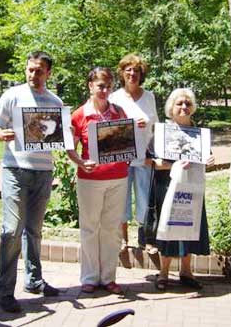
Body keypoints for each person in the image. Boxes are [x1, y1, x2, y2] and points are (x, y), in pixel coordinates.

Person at [0, 51, 62, 313]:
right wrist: (1, 135)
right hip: (15, 170)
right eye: (30, 69)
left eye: (39, 70)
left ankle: (34, 280)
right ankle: (4, 291)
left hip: (43, 172)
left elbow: (59, 135)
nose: (34, 74)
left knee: (34, 230)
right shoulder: (12, 95)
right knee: (11, 231)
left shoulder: (55, 101)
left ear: (48, 73)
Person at [68, 67, 138, 294]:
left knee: (111, 229)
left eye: (108, 86)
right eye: (100, 86)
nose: (105, 90)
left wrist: (127, 154)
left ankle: (108, 277)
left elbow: (128, 144)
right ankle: (89, 277)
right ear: (90, 86)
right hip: (90, 179)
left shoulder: (119, 112)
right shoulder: (80, 114)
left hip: (118, 178)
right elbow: (71, 147)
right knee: (90, 228)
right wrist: (80, 162)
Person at [145, 88, 214, 291]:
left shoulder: (199, 134)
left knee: (190, 225)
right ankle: (164, 273)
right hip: (166, 185)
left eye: (187, 103)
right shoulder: (161, 132)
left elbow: (204, 158)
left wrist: (208, 160)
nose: (183, 107)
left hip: (192, 186)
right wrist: (168, 165)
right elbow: (147, 161)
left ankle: (186, 271)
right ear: (171, 108)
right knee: (169, 226)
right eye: (179, 103)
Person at [109, 54, 159, 253]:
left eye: (136, 70)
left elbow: (155, 126)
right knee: (121, 198)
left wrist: (152, 153)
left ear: (141, 74)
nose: (132, 74)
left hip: (144, 156)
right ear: (122, 73)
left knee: (146, 199)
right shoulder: (114, 98)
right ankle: (123, 240)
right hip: (122, 158)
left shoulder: (149, 97)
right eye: (128, 70)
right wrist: (129, 126)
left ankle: (146, 239)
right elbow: (110, 129)